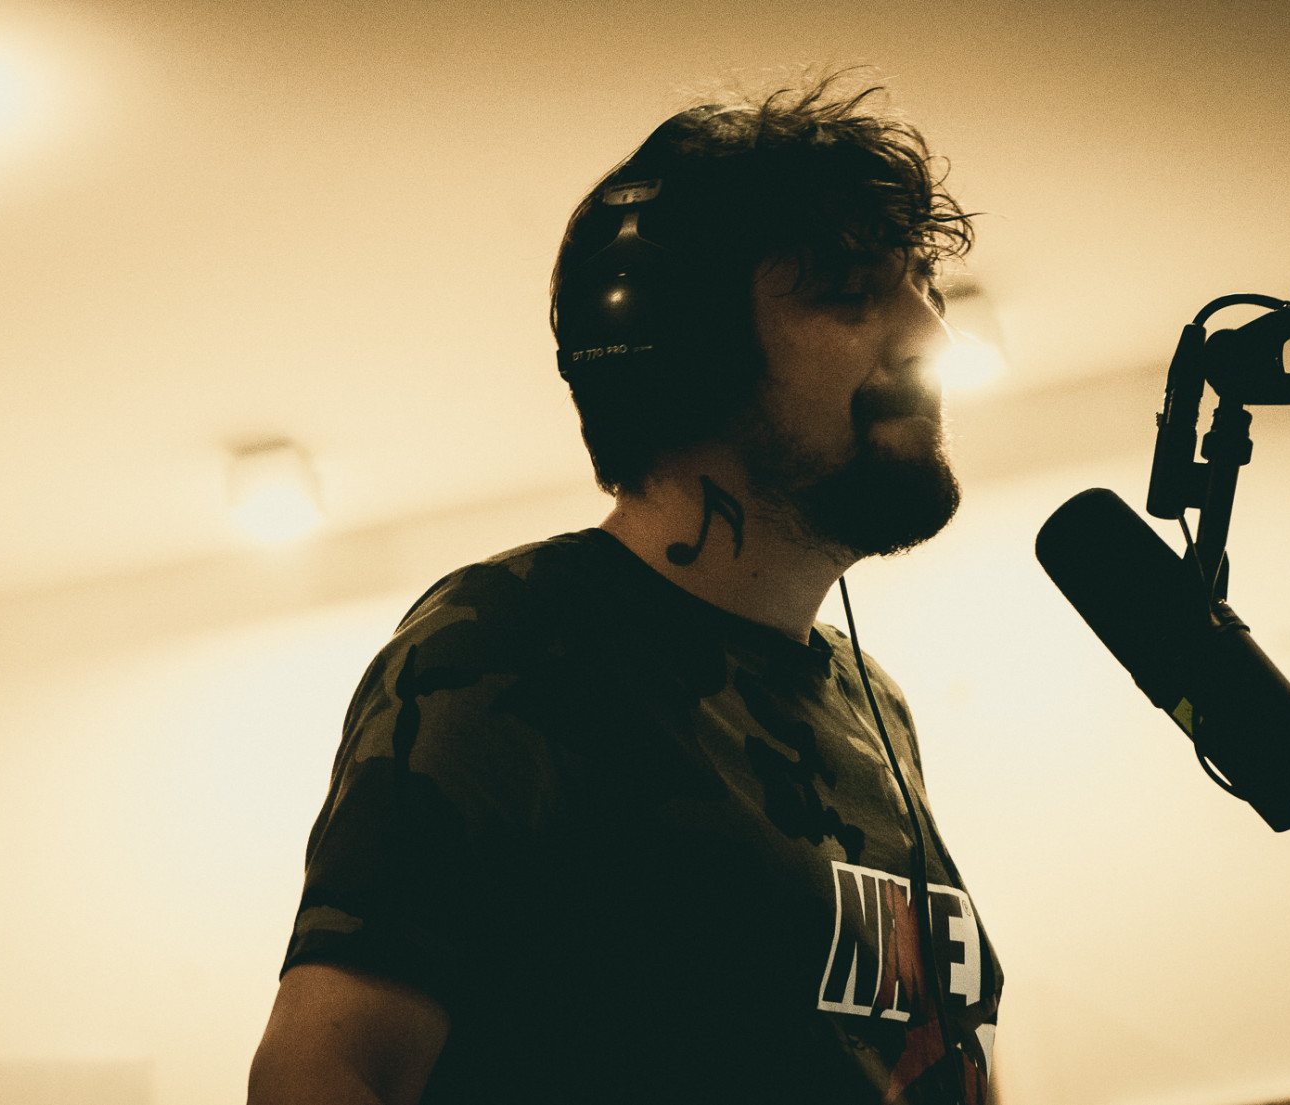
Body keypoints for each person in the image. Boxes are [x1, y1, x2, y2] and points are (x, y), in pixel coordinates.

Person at [248, 71, 1004, 1105]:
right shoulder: (509, 645)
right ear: (688, 354)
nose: (933, 336)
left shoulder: (874, 709)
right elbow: (324, 1071)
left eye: (924, 289)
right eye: (850, 292)